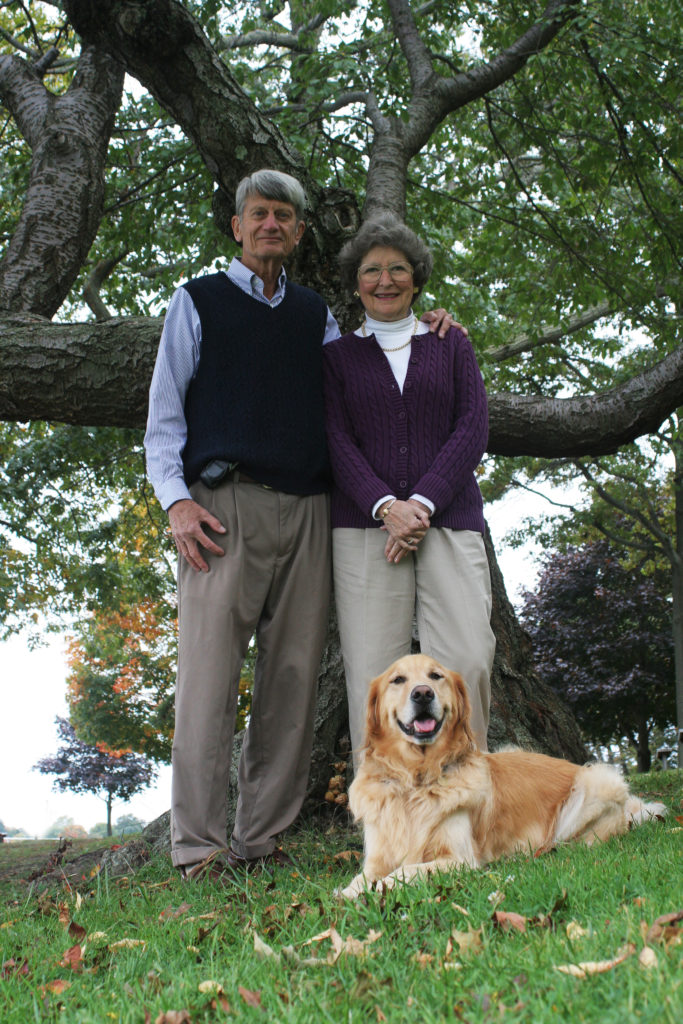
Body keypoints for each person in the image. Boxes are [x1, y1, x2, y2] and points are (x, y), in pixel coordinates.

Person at [144, 170, 455, 880]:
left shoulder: (314, 314)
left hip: (311, 511)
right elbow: (163, 418)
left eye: (283, 216)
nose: (270, 226)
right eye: (258, 214)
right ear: (237, 225)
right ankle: (197, 848)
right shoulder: (197, 302)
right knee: (207, 686)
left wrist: (433, 329)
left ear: (298, 231)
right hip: (221, 510)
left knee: (288, 684)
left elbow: (369, 362)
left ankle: (258, 840)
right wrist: (175, 502)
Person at [322, 211, 496, 767]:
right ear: (357, 283)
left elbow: (473, 427)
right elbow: (334, 439)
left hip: (448, 521)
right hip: (365, 530)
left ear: (416, 278)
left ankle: (467, 792)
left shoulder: (451, 344)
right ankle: (383, 811)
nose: (385, 280)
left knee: (467, 659)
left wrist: (418, 505)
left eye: (397, 268)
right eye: (372, 270)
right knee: (376, 678)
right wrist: (384, 507)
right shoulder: (336, 358)